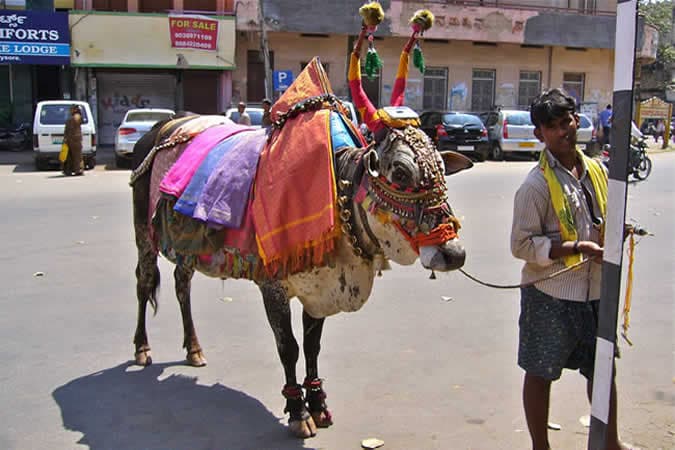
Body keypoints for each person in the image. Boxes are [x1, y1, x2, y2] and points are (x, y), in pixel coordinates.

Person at [511, 88, 633, 450]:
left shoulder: (596, 170)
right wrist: (576, 248)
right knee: (540, 372)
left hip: (596, 292)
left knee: (603, 370)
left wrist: (616, 230)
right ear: (540, 134)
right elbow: (520, 246)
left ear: (577, 120)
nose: (564, 131)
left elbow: (600, 220)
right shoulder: (534, 186)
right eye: (553, 126)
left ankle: (610, 443)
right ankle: (540, 446)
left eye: (567, 121)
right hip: (550, 294)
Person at [62, 105, 84, 176]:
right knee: (77, 156)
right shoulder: (76, 117)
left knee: (69, 156)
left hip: (70, 139)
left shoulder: (70, 119)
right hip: (76, 140)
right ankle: (78, 170)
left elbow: (66, 131)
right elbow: (81, 121)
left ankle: (68, 170)